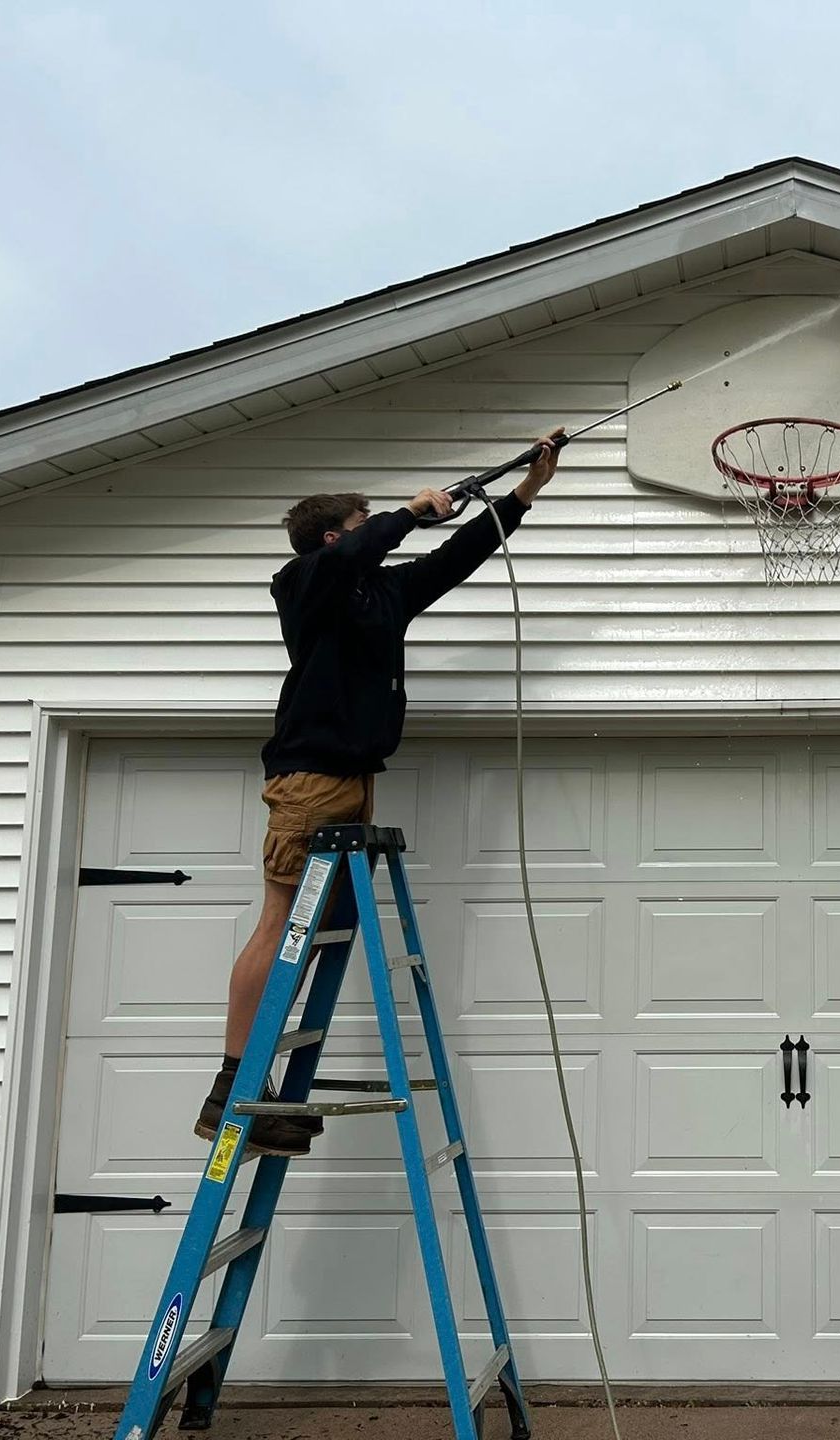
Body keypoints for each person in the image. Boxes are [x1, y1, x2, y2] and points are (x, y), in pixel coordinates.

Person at [196, 429, 566, 1156]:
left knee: (307, 937)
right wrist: (410, 511)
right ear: (333, 536)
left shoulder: (378, 594)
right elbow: (349, 556)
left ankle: (262, 1090)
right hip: (310, 781)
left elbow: (454, 561)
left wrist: (525, 492)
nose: (377, 538)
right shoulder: (304, 585)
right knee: (279, 927)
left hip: (355, 783)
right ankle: (231, 1088)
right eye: (363, 527)